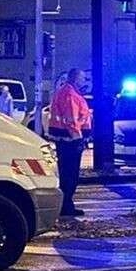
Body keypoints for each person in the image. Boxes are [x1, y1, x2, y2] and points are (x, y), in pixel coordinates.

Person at [48, 68, 91, 217]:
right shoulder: (70, 94)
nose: (84, 81)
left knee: (67, 174)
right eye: (82, 78)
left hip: (65, 140)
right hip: (70, 140)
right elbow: (71, 119)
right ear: (75, 78)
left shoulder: (66, 91)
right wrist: (78, 138)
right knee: (70, 175)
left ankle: (66, 205)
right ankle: (66, 206)